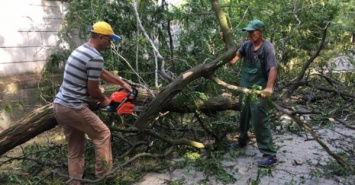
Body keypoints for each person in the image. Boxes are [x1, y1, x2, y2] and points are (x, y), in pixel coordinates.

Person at [53, 21, 132, 184]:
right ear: (101, 37)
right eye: (109, 40)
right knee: (103, 134)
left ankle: (74, 182)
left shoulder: (81, 50)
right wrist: (105, 101)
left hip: (60, 106)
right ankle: (104, 178)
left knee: (75, 149)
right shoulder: (95, 56)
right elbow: (93, 91)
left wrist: (122, 83)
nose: (110, 44)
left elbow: (101, 72)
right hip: (73, 107)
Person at [222, 20, 278, 167]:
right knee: (244, 115)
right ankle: (242, 140)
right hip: (245, 87)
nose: (249, 34)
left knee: (259, 120)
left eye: (252, 32)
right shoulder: (246, 46)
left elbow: (272, 68)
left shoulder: (267, 47)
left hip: (259, 90)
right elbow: (232, 60)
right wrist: (225, 43)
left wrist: (269, 88)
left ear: (260, 32)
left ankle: (270, 154)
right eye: (248, 31)